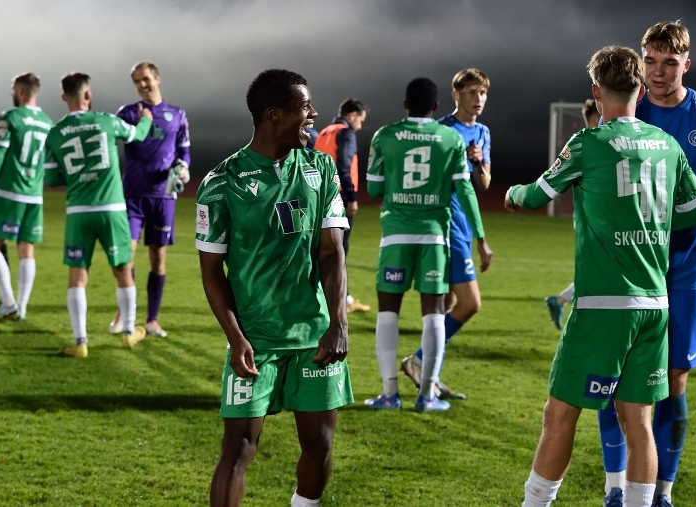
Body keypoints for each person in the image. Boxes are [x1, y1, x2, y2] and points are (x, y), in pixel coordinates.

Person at [509, 45, 696, 507]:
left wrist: (516, 194)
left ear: (596, 92)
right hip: (654, 308)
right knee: (637, 423)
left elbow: (535, 196)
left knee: (559, 416)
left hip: (603, 308)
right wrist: (649, 228)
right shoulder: (668, 145)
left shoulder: (587, 143)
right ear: (641, 87)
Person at [196, 69, 352, 507]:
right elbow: (212, 273)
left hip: (313, 336)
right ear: (273, 115)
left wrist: (337, 322)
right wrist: (235, 337)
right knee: (239, 448)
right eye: (305, 107)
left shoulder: (320, 168)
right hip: (255, 340)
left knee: (320, 444)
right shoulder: (221, 183)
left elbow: (331, 253)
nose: (313, 114)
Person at [596, 21, 696, 507]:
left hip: (688, 275)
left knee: (673, 384)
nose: (656, 72)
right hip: (629, 272)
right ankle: (616, 489)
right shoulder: (623, 113)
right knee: (617, 380)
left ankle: (662, 494)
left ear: (686, 65)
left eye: (668, 62)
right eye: (649, 61)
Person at [363, 77, 488, 413]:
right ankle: (427, 395)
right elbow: (466, 192)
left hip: (395, 236)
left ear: (405, 104)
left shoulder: (384, 136)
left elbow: (374, 190)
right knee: (434, 313)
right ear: (436, 107)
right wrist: (481, 237)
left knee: (388, 312)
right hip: (434, 236)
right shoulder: (450, 139)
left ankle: (389, 394)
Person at [400, 68, 494, 399]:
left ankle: (428, 374)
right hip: (446, 225)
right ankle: (419, 362)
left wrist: (478, 162)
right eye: (472, 93)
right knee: (470, 303)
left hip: (463, 226)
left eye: (482, 93)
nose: (478, 99)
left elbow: (483, 184)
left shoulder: (482, 133)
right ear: (456, 96)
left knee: (448, 302)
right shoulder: (441, 130)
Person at [43, 72, 151, 358]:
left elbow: (52, 179)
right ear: (87, 96)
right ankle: (129, 332)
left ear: (64, 97)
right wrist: (147, 119)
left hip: (78, 212)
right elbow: (137, 135)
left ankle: (80, 343)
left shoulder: (54, 134)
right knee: (122, 271)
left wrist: (79, 175)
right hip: (111, 209)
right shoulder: (106, 121)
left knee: (77, 277)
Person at [109, 61, 191, 338]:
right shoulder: (129, 113)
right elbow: (112, 139)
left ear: (157, 78)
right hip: (131, 195)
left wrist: (183, 167)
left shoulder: (177, 114)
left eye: (146, 79)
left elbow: (184, 151)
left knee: (158, 258)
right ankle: (124, 313)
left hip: (163, 197)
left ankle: (152, 320)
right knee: (125, 259)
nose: (142, 85)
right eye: (137, 81)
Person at [0, 73, 53, 322]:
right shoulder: (47, 121)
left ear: (21, 91)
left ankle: (9, 303)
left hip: (9, 192)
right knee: (26, 249)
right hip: (35, 195)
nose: (12, 93)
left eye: (14, 89)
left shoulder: (10, 117)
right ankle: (21, 307)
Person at [543, 98, 600, 330]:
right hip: (593, 221)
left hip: (598, 221)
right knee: (601, 273)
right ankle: (565, 305)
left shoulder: (595, 144)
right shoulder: (586, 145)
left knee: (600, 273)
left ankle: (560, 301)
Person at [314, 98, 370, 313]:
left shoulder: (324, 132)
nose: (360, 126)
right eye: (360, 120)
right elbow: (345, 167)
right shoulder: (345, 133)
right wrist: (352, 197)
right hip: (339, 199)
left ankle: (324, 296)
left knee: (322, 250)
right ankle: (340, 301)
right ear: (353, 115)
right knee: (339, 251)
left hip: (320, 197)